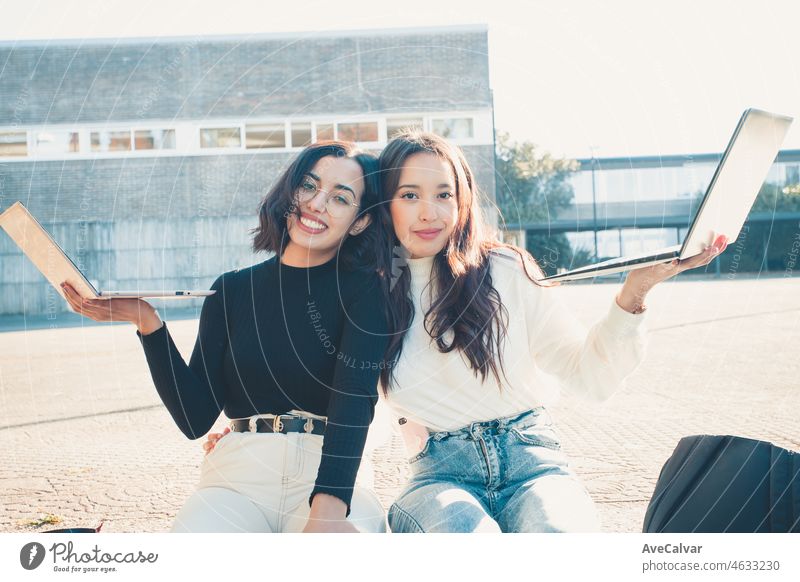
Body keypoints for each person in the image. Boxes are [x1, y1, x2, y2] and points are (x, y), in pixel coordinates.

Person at [374, 129, 729, 533]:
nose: (429, 212)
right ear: (384, 205)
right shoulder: (370, 294)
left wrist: (636, 291)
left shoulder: (505, 270)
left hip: (533, 463)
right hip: (439, 477)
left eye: (443, 194)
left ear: (463, 200)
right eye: (409, 195)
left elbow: (590, 375)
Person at [61, 141, 391, 533]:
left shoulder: (368, 292)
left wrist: (328, 513)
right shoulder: (232, 291)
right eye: (309, 185)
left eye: (340, 198)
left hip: (331, 474)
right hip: (237, 478)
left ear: (360, 221)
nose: (317, 204)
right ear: (290, 192)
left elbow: (354, 404)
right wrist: (145, 321)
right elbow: (195, 418)